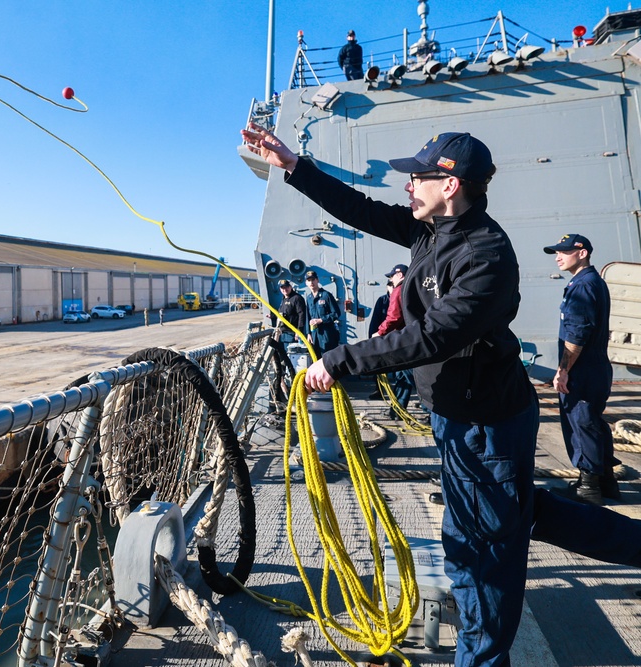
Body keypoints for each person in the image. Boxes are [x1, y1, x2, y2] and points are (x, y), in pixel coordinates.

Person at [240, 123, 641, 667]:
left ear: (449, 185)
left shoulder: (486, 255)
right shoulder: (430, 232)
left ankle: (480, 660)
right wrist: (293, 165)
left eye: (417, 177)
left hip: (488, 422)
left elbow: (434, 336)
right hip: (456, 414)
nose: (407, 186)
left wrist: (340, 360)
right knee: (513, 516)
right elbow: (359, 209)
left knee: (483, 551)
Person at [544, 234, 618, 504]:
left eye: (563, 252)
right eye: (556, 252)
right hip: (594, 365)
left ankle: (589, 488)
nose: (558, 257)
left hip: (583, 369)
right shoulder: (592, 282)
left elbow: (577, 334)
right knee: (593, 423)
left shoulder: (584, 285)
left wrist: (563, 370)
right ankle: (606, 481)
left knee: (582, 423)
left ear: (582, 252)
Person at [375, 263, 417, 419]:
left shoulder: (399, 290)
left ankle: (431, 411)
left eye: (391, 276)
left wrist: (379, 332)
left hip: (406, 342)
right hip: (414, 339)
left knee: (413, 377)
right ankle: (398, 410)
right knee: (404, 376)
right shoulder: (413, 288)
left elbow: (394, 317)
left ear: (399, 275)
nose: (390, 280)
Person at [304, 270, 340, 353]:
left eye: (313, 279)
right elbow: (307, 317)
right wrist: (308, 333)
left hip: (327, 334)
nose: (311, 282)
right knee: (316, 359)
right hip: (314, 335)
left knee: (328, 360)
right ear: (306, 283)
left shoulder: (326, 295)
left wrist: (321, 320)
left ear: (317, 280)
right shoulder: (309, 298)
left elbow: (336, 313)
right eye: (309, 280)